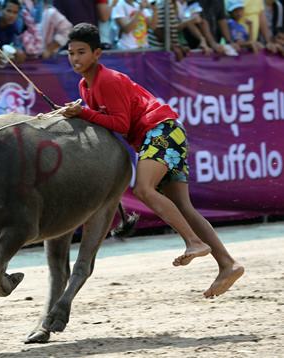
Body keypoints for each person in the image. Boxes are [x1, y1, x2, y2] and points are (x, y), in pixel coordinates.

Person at [62, 23, 244, 298]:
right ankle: (227, 264)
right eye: (71, 53)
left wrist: (83, 114)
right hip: (166, 132)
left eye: (82, 52)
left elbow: (121, 125)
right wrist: (81, 111)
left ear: (97, 53)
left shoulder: (107, 79)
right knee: (183, 205)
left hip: (161, 131)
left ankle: (193, 242)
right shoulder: (84, 85)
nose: (75, 58)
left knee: (144, 190)